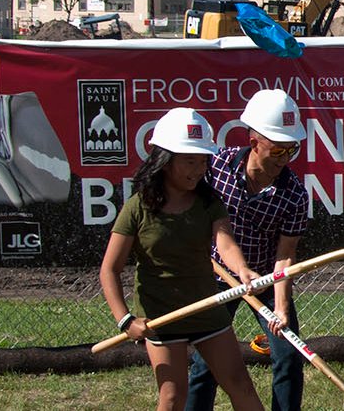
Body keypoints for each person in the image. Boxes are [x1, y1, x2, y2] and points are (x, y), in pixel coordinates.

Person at [98, 108, 265, 411]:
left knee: (240, 384)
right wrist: (125, 320)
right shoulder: (138, 207)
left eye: (203, 160)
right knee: (173, 397)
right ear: (165, 159)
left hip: (205, 308)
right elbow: (109, 270)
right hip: (161, 315)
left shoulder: (208, 202)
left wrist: (242, 270)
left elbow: (224, 241)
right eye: (190, 160)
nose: (199, 168)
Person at [186, 89, 311, 411]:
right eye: (278, 150)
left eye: (292, 150)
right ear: (255, 141)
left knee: (288, 357)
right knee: (205, 362)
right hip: (217, 276)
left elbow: (286, 255)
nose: (285, 159)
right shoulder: (216, 167)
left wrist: (281, 307)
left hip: (267, 280)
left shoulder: (294, 194)